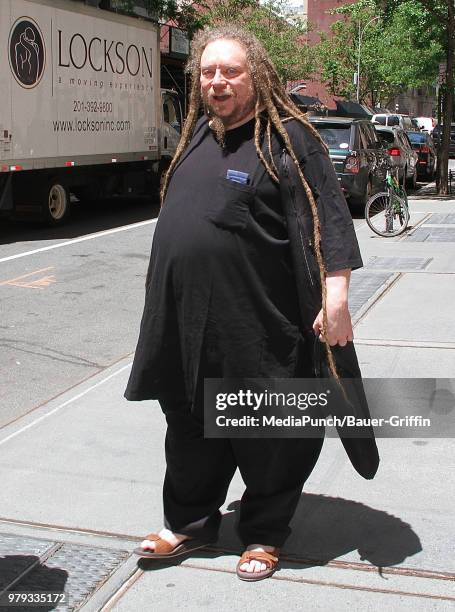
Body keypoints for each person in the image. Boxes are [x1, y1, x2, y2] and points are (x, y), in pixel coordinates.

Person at [125, 24, 377, 581]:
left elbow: (330, 221)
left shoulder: (288, 139)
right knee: (188, 425)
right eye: (209, 71)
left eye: (230, 71)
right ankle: (190, 522)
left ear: (255, 74)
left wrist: (336, 297)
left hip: (261, 323)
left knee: (268, 430)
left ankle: (263, 532)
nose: (217, 81)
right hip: (188, 324)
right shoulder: (199, 134)